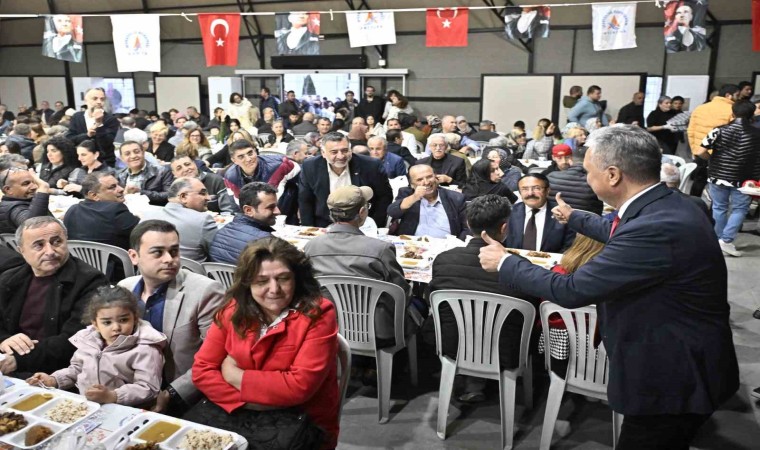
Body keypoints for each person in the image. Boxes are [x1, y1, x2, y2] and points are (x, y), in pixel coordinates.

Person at [479, 125, 739, 450]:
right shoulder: (672, 205)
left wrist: (506, 261)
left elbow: (571, 289)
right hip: (685, 356)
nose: (586, 178)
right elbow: (623, 233)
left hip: (673, 377)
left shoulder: (654, 228)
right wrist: (575, 217)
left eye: (589, 172)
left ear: (613, 175)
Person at [192, 237, 339, 448]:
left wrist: (234, 376)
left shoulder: (318, 313)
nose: (274, 289)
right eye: (262, 281)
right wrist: (253, 402)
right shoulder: (233, 309)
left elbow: (299, 387)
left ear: (297, 278)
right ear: (247, 283)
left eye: (283, 278)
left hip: (300, 425)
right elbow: (202, 370)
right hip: (237, 418)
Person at [429, 195, 537, 402]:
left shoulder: (444, 260)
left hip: (452, 344)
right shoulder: (519, 267)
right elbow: (529, 312)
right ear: (504, 228)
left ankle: (473, 382)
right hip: (507, 349)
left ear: (468, 224)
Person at [118, 220, 226, 414]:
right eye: (158, 252)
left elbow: (216, 357)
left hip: (183, 395)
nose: (169, 259)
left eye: (174, 251)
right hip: (129, 388)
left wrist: (171, 394)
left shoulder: (205, 291)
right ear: (134, 256)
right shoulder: (125, 288)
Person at [305, 185, 420, 345]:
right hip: (378, 330)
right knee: (418, 305)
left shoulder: (311, 246)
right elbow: (402, 293)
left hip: (329, 323)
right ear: (362, 212)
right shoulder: (380, 249)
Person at [0, 217, 108, 376]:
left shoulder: (90, 281)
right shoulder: (10, 278)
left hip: (60, 373)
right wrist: (4, 339)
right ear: (21, 250)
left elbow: (74, 340)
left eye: (57, 242)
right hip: (9, 363)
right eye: (39, 245)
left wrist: (18, 360)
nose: (50, 251)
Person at [26, 286, 166, 406]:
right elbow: (77, 369)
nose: (116, 328)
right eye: (107, 322)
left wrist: (112, 396)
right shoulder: (88, 341)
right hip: (88, 406)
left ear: (134, 318)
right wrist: (54, 380)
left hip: (127, 410)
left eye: (123, 320)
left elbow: (148, 388)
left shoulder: (145, 348)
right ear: (95, 324)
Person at [696, 100, 760, 257]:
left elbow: (700, 151)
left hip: (718, 176)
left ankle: (717, 240)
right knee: (740, 209)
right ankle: (726, 240)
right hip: (745, 179)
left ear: (732, 113)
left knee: (719, 207)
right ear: (752, 115)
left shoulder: (718, 130)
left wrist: (712, 160)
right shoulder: (757, 133)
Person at [299, 132, 393, 228]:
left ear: (350, 149)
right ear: (323, 153)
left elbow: (384, 198)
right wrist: (309, 228)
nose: (341, 156)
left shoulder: (371, 166)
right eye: (334, 152)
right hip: (323, 224)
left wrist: (374, 226)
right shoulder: (310, 166)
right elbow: (305, 200)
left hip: (361, 225)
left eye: (345, 150)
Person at [140, 178, 217, 263]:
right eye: (202, 193)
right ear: (183, 197)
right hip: (189, 271)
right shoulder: (203, 220)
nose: (208, 198)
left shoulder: (147, 216)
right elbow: (219, 255)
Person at [388, 164, 470, 240]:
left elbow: (468, 228)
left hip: (446, 246)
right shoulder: (407, 194)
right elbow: (392, 212)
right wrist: (414, 197)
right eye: (420, 179)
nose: (426, 182)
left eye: (429, 177)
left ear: (436, 178)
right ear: (412, 184)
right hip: (413, 245)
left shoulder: (456, 198)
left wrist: (457, 245)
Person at [63, 172, 139, 251]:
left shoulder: (72, 210)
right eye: (112, 187)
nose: (121, 189)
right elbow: (142, 233)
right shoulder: (116, 209)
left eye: (118, 185)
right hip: (118, 258)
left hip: (78, 258)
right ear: (94, 195)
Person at [209, 182, 278, 264]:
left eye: (276, 206)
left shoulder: (221, 232)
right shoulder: (268, 242)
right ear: (248, 210)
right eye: (271, 207)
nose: (278, 211)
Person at [687, 84, 737, 196]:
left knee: (699, 181)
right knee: (719, 185)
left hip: (701, 152)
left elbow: (691, 131)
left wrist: (695, 150)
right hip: (721, 155)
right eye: (737, 95)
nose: (738, 98)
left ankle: (694, 203)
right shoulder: (732, 110)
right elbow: (732, 134)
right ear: (728, 95)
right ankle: (714, 206)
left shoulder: (700, 108)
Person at [506, 173, 575, 252]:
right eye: (525, 189)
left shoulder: (563, 214)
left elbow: (569, 247)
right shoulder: (508, 212)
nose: (530, 193)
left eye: (536, 188)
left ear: (547, 191)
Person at [223, 139, 297, 200]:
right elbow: (237, 203)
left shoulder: (280, 164)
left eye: (250, 153)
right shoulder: (230, 177)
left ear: (255, 151)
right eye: (241, 157)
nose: (248, 159)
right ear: (234, 160)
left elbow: (302, 178)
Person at [66, 88, 119, 166]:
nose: (99, 102)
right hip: (80, 162)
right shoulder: (77, 117)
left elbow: (107, 143)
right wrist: (87, 135)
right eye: (95, 98)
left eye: (102, 99)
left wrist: (99, 124)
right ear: (86, 100)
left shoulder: (111, 119)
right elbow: (69, 139)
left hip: (104, 163)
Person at [169, 155, 238, 214]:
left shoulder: (216, 180)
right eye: (179, 168)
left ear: (195, 164)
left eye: (187, 164)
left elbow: (229, 211)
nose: (185, 169)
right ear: (174, 174)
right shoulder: (174, 189)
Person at [547, 148, 604, 215]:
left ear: (570, 160)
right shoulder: (595, 181)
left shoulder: (550, 176)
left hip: (555, 219)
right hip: (587, 220)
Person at [116, 141, 173, 205]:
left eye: (136, 152)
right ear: (122, 158)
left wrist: (140, 192)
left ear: (143, 152)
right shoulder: (119, 175)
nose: (133, 156)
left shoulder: (162, 171)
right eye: (127, 154)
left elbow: (170, 195)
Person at [0, 168, 51, 234]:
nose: (34, 187)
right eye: (26, 183)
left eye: (35, 182)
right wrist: (43, 188)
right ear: (8, 189)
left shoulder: (22, 201)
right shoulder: (15, 209)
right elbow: (33, 226)